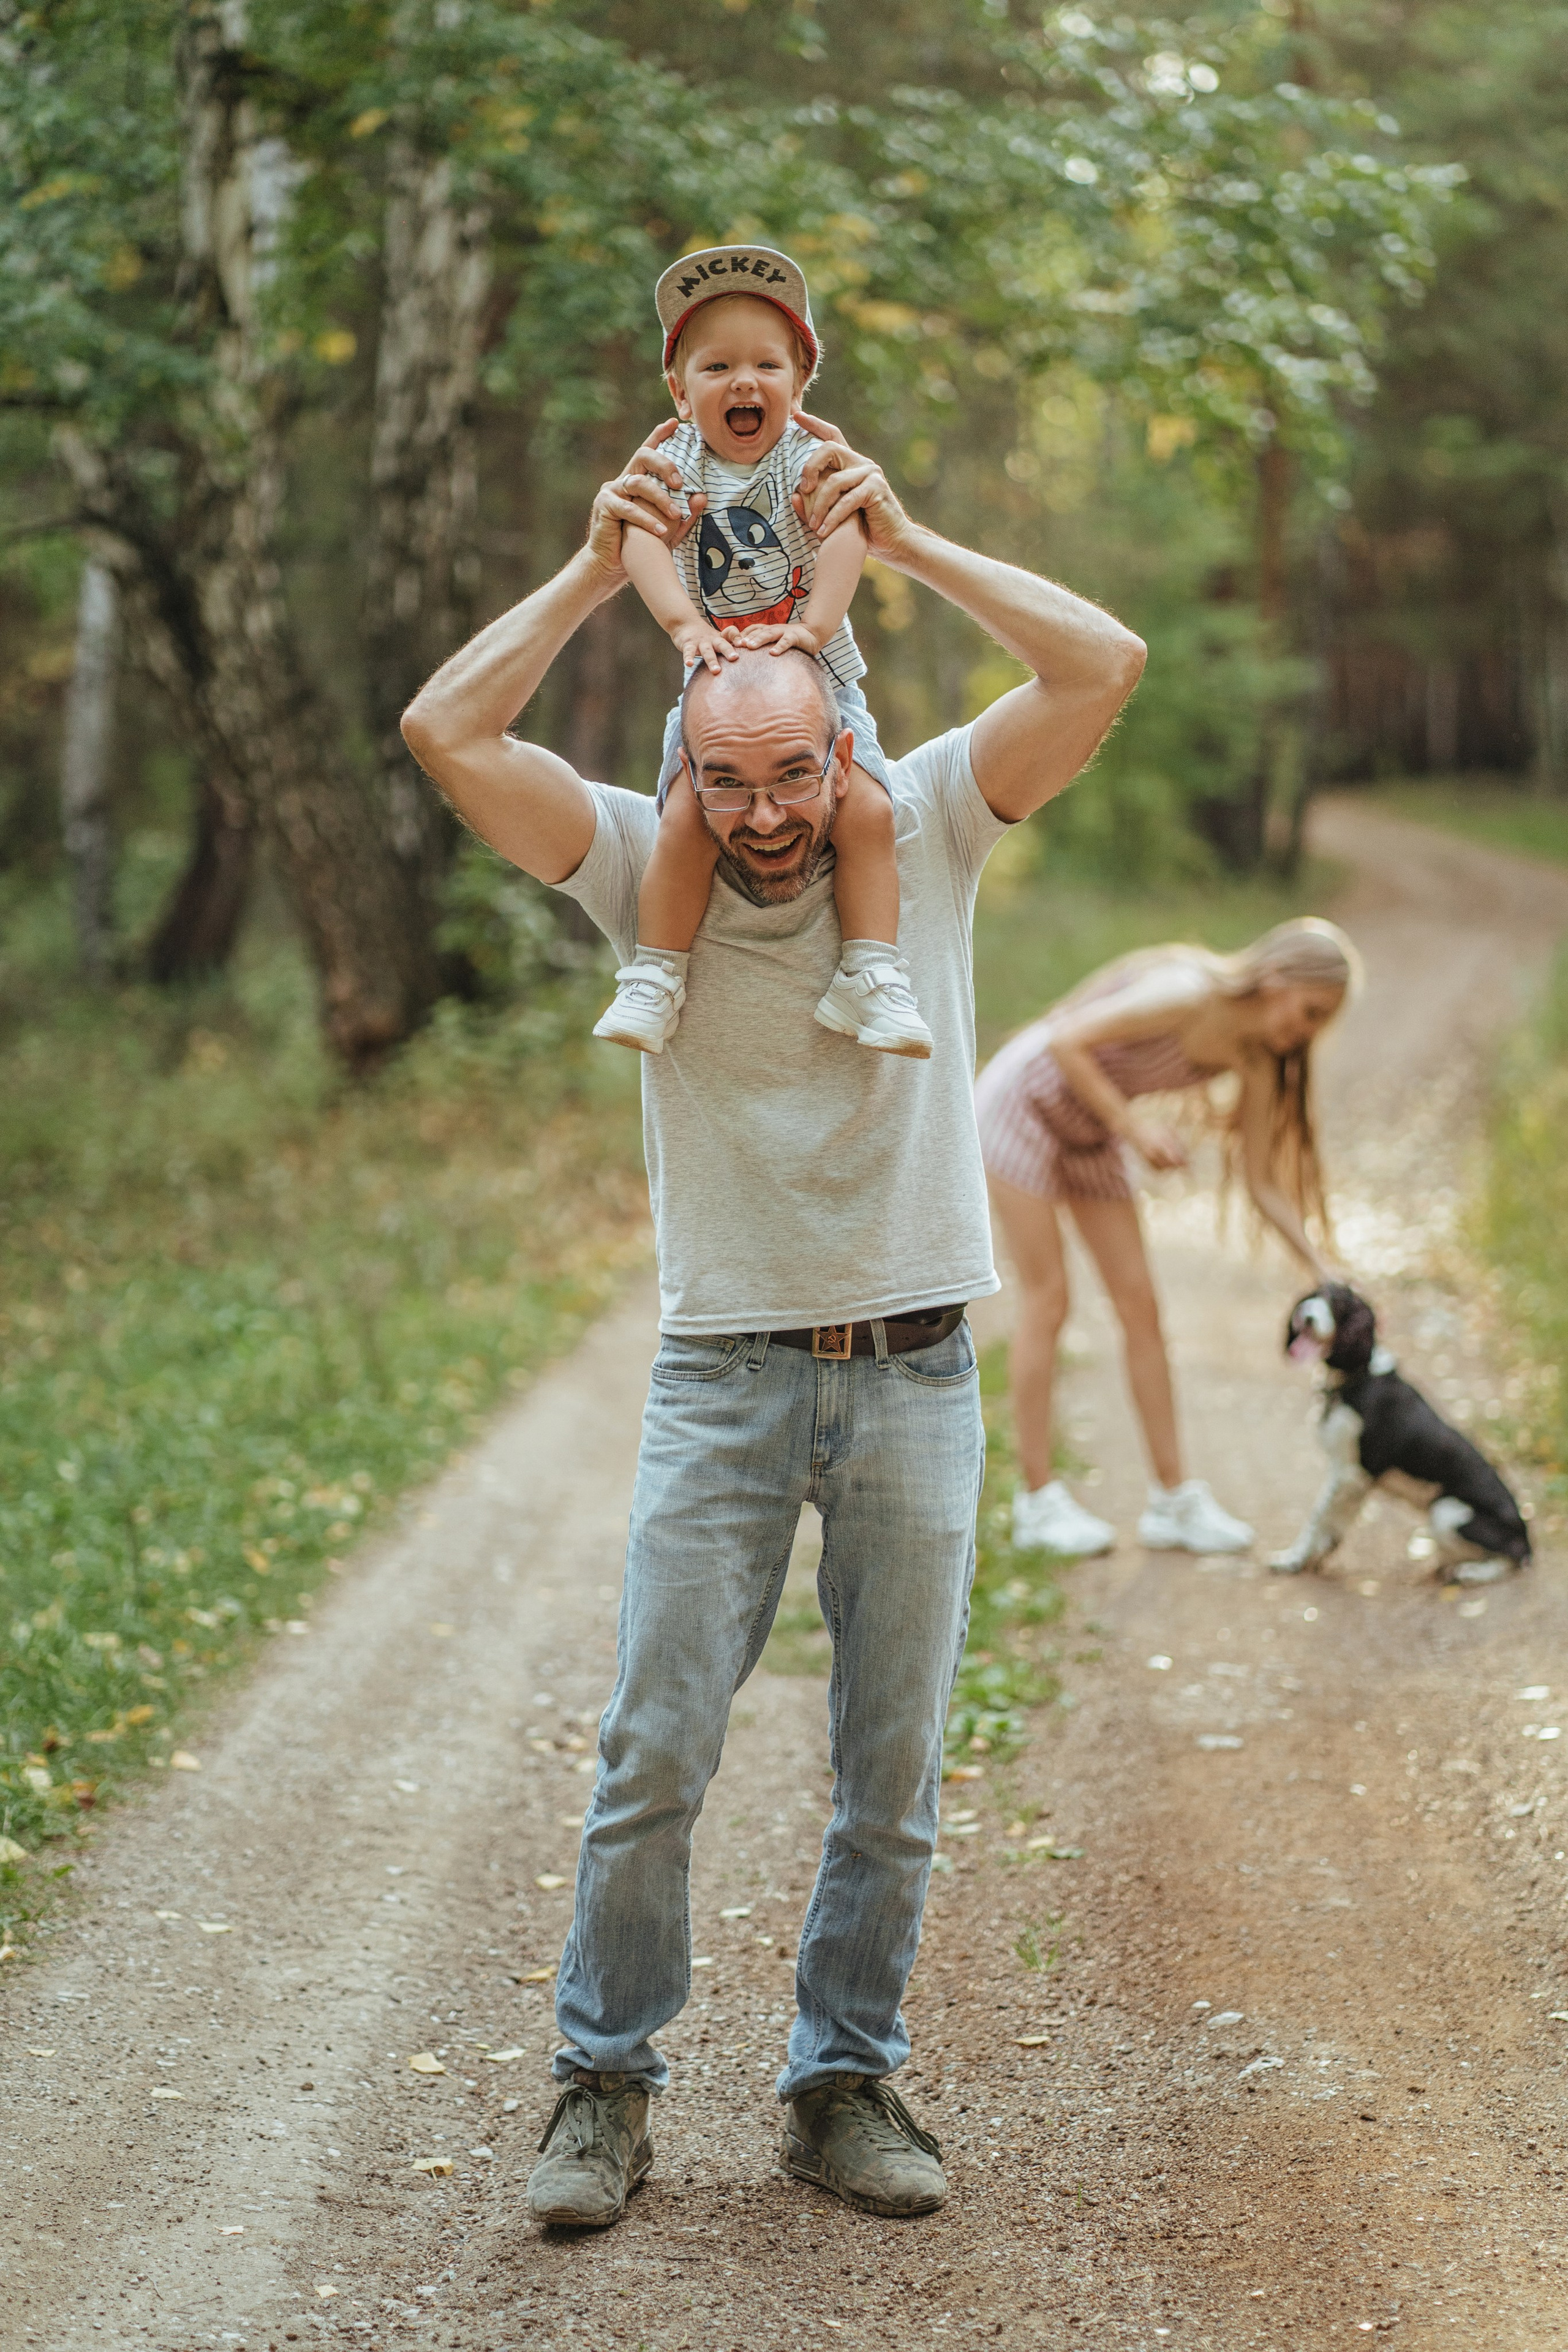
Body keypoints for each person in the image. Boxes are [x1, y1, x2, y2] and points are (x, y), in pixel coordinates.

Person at [400, 415, 1144, 2229]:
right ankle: (602, 2087)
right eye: (725, 783)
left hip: (913, 1374)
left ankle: (841, 2080)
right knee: (654, 1748)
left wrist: (904, 544)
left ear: (845, 754)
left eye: (796, 775)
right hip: (718, 1377)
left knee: (887, 1772)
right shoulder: (628, 857)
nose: (762, 815)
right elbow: (445, 733)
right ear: (685, 767)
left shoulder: (938, 821)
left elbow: (1103, 662)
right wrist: (596, 568)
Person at [598, 244, 930, 1060]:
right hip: (716, 684)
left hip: (819, 684)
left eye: (767, 364)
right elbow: (635, 544)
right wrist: (683, 624)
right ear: (680, 392)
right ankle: (656, 973)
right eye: (716, 367)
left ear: (798, 384)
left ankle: (873, 973)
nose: (744, 382)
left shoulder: (808, 459)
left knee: (871, 810)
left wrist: (813, 629)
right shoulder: (673, 464)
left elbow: (848, 537)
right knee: (683, 814)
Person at [974, 921, 1357, 1559]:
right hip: (1025, 1101)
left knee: (1141, 1309)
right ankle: (1036, 1502)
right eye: (1310, 1011)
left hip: (1091, 1127)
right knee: (1049, 1300)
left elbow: (1263, 1183)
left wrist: (1322, 1268)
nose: (1308, 1031)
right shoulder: (1185, 991)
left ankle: (1172, 1501)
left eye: (1322, 1023)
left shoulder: (1255, 1056)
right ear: (1274, 980)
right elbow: (1065, 1040)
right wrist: (1134, 1128)